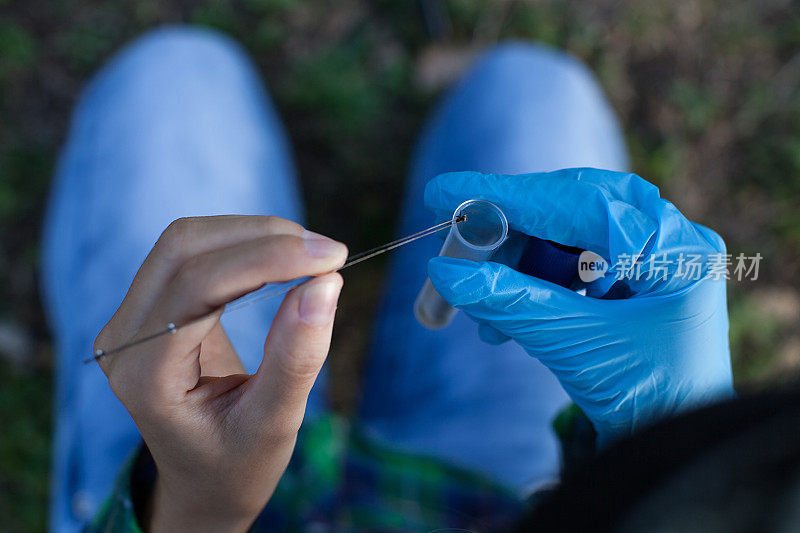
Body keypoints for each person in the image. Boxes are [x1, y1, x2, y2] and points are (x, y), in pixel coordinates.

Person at [40, 26, 733, 532]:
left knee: (173, 77)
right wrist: (657, 457)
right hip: (500, 493)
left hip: (200, 501)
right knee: (535, 93)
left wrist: (199, 502)